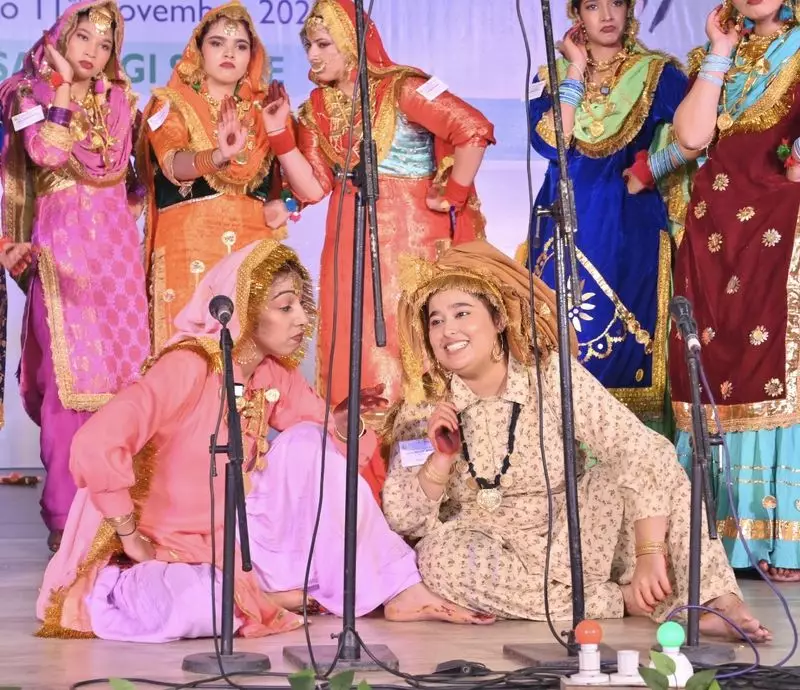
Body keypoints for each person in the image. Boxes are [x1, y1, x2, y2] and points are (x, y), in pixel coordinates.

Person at [35, 239, 491, 641]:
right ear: (245, 307)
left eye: (300, 306)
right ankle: (264, 594)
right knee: (197, 608)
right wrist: (130, 536)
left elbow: (330, 455)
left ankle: (398, 589)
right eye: (285, 306)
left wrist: (341, 423)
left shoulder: (272, 374)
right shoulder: (188, 366)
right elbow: (95, 443)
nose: (301, 319)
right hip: (159, 548)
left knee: (310, 442)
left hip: (229, 541)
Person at [382, 240, 770, 642]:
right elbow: (404, 519)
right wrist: (441, 460)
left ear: (498, 318)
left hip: (578, 532)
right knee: (438, 559)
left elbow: (639, 447)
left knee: (656, 464)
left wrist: (649, 551)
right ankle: (618, 600)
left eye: (462, 313)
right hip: (492, 551)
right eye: (436, 321)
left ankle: (718, 599)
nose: (448, 331)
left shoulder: (551, 375)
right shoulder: (424, 408)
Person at [260, 0, 495, 406]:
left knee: (414, 333)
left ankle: (428, 432)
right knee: (358, 335)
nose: (312, 55)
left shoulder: (403, 87)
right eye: (308, 46)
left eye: (323, 44)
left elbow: (473, 128)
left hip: (414, 240)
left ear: (351, 43)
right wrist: (279, 133)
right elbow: (313, 188)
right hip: (349, 245)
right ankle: (362, 436)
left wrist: (454, 193)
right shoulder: (316, 109)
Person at [0, 1, 150, 552]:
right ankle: (66, 517)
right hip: (62, 254)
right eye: (83, 37)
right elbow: (44, 152)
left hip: (117, 257)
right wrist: (62, 89)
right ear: (62, 35)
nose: (93, 51)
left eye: (105, 44)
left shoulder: (120, 100)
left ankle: (122, 512)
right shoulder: (27, 93)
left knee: (123, 383)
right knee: (69, 384)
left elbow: (133, 181)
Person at [518, 0, 696, 435]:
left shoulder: (658, 74)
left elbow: (701, 134)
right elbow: (551, 144)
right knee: (562, 343)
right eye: (593, 5)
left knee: (630, 351)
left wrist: (654, 167)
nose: (607, 15)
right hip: (562, 222)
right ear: (576, 14)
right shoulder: (549, 77)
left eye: (616, 2)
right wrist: (575, 69)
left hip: (629, 227)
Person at [670, 0, 800, 582]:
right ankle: (712, 533)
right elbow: (692, 137)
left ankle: (780, 535)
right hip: (713, 226)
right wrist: (720, 51)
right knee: (713, 359)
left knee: (773, 366)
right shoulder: (713, 54)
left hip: (783, 226)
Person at [140, 1, 296, 351]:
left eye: (240, 46)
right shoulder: (171, 104)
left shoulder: (268, 112)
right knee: (189, 358)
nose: (229, 53)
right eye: (217, 43)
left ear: (251, 56)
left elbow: (297, 185)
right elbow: (173, 164)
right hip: (188, 248)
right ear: (199, 50)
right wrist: (218, 156)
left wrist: (288, 204)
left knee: (247, 360)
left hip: (253, 249)